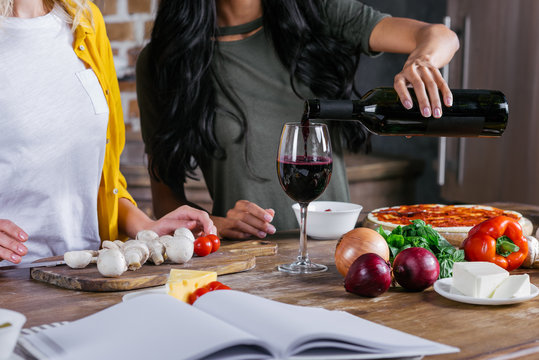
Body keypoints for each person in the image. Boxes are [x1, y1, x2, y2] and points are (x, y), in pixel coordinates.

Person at [136, 0, 459, 240]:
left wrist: (422, 60)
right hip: (249, 260)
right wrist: (215, 223)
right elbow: (166, 202)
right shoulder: (166, 62)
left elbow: (439, 35)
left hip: (336, 253)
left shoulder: (316, 13)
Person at [0, 0, 216, 265]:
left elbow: (102, 180)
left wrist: (146, 227)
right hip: (10, 281)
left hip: (90, 271)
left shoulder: (84, 20)